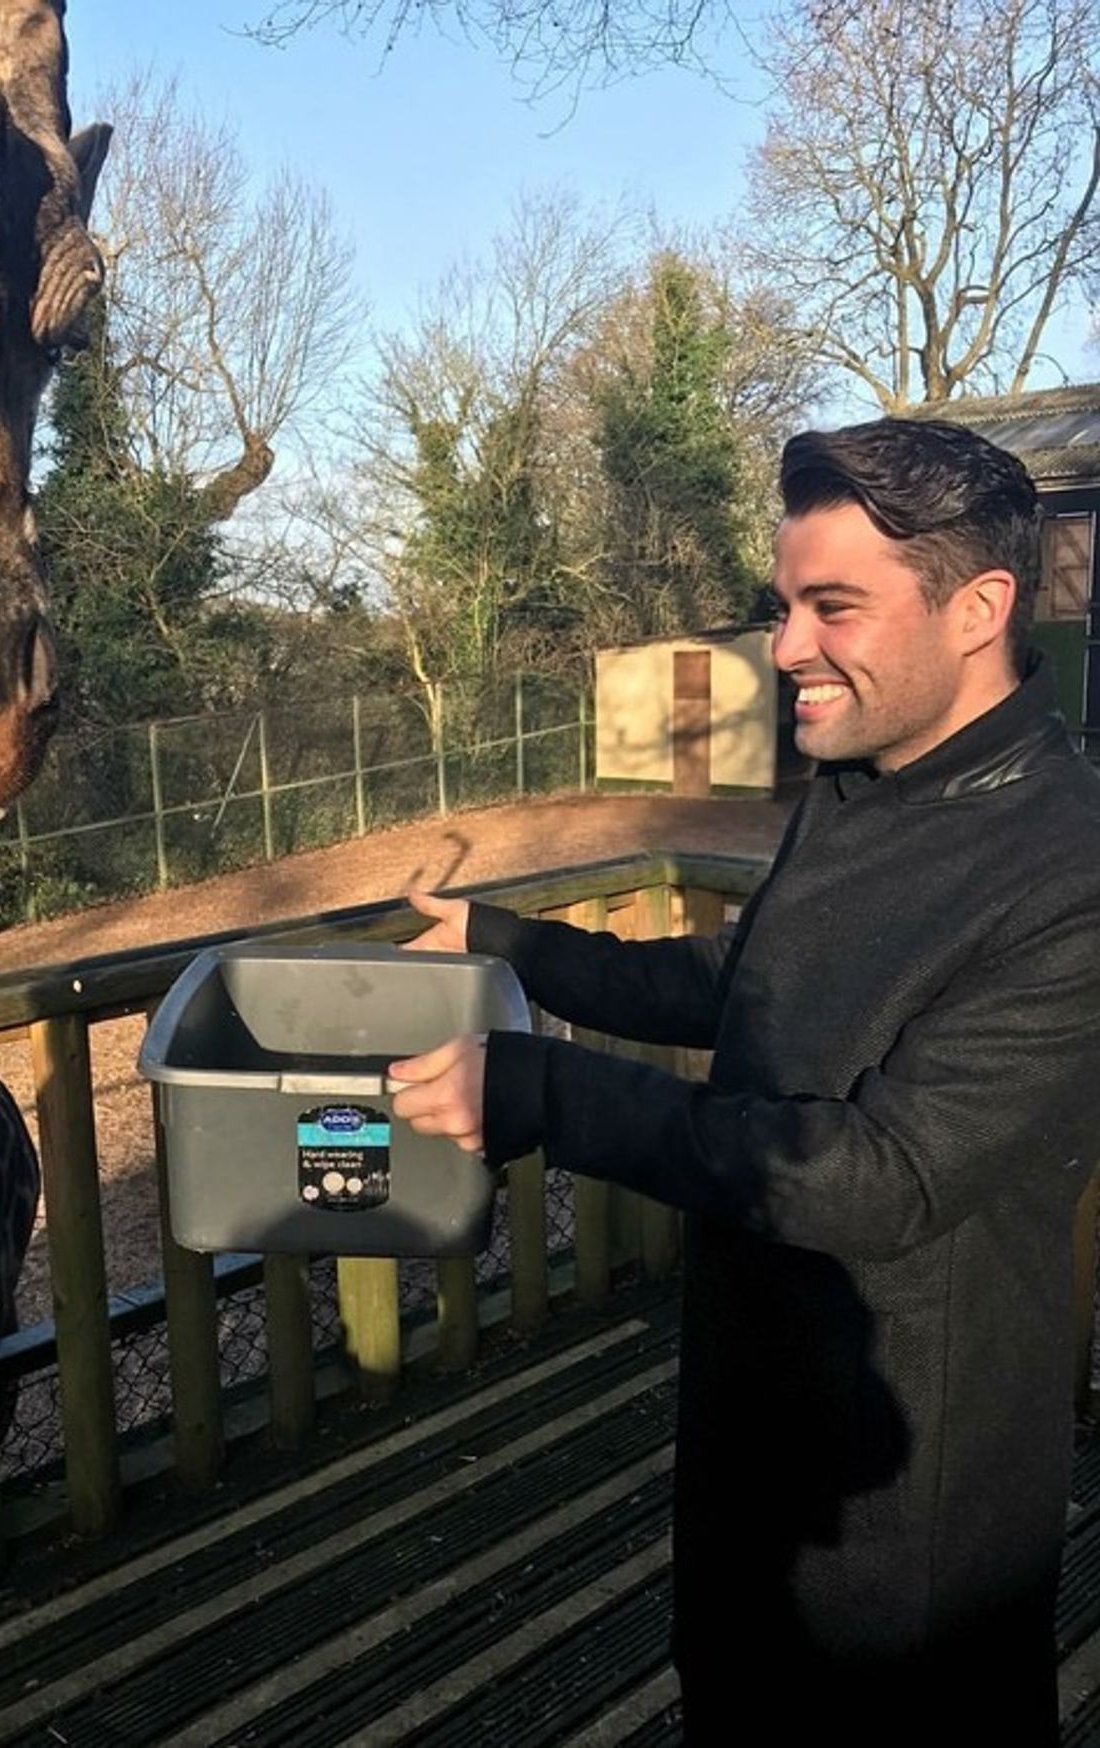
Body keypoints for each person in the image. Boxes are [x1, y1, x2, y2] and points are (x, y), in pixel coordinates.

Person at [388, 418, 1100, 1745]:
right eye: (784, 607)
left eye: (834, 607)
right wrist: (512, 943)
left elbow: (883, 1181)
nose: (782, 651)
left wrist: (548, 1095)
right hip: (750, 1398)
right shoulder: (865, 786)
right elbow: (747, 979)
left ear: (981, 608)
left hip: (910, 1492)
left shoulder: (1070, 876)